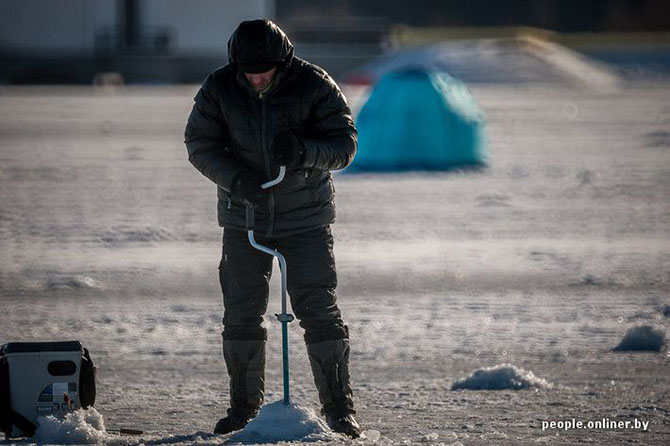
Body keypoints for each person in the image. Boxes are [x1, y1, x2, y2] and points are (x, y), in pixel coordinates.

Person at [184, 19, 361, 438]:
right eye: (250, 72)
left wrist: (304, 152)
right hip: (244, 217)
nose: (258, 79)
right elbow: (199, 143)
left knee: (319, 312)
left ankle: (339, 408)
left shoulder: (314, 83)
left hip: (306, 219)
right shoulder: (219, 87)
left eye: (266, 71)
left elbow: (345, 144)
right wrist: (238, 181)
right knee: (241, 313)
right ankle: (243, 410)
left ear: (284, 62)